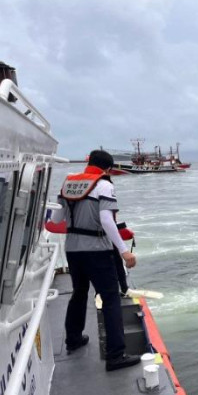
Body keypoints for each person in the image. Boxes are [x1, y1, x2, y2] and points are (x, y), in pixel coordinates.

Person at [50, 150, 140, 371]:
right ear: (107, 169)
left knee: (79, 293)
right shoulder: (104, 185)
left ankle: (73, 338)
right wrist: (123, 251)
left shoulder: (68, 182)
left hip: (72, 249)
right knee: (110, 299)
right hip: (97, 251)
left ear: (88, 163)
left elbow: (56, 219)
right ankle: (116, 355)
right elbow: (106, 220)